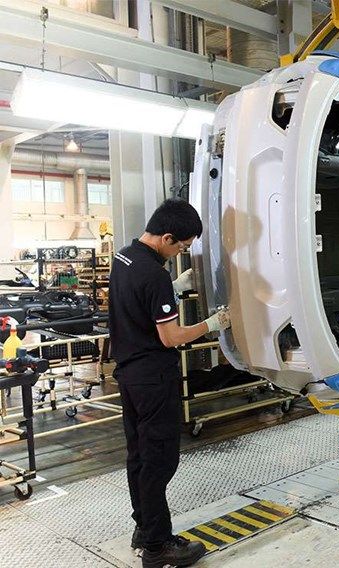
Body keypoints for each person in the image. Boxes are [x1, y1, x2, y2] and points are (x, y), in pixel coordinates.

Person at [109, 199, 230, 568]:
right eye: (182, 246)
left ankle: (144, 528)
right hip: (153, 379)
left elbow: (138, 301)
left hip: (129, 375)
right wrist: (212, 324)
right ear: (166, 237)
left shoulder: (124, 257)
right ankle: (158, 547)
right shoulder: (155, 275)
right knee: (159, 462)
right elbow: (171, 337)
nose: (182, 252)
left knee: (138, 456)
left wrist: (173, 287)